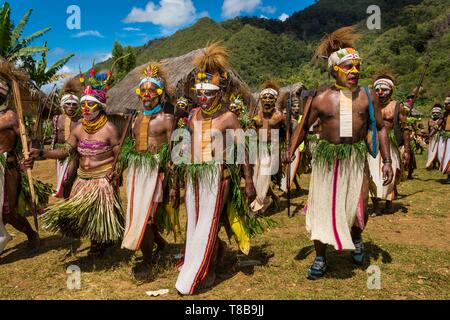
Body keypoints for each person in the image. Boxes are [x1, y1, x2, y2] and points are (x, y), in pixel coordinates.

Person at [283, 26, 394, 280]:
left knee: (357, 205)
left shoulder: (367, 97)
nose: (354, 72)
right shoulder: (320, 97)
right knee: (322, 207)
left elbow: (381, 130)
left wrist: (387, 161)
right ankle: (321, 257)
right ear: (334, 68)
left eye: (357, 67)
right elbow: (301, 128)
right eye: (348, 67)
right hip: (327, 159)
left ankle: (356, 237)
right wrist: (290, 151)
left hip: (356, 158)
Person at [175, 43, 257, 295]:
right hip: (194, 176)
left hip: (217, 177)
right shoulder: (192, 116)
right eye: (200, 93)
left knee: (209, 223)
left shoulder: (228, 118)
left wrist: (249, 181)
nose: (203, 97)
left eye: (208, 93)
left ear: (220, 93)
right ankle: (207, 256)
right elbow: (186, 144)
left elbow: (243, 149)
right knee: (195, 222)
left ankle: (206, 268)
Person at [27, 68, 124, 257]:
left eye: (90, 105)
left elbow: (119, 156)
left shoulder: (110, 129)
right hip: (82, 179)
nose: (86, 108)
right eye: (84, 104)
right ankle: (102, 240)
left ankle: (99, 244)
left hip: (101, 179)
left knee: (99, 213)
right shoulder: (79, 128)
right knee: (85, 214)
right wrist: (41, 152)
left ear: (100, 106)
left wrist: (116, 171)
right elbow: (65, 151)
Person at [119, 63, 179, 280]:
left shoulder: (168, 119)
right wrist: (120, 169)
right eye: (142, 91)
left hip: (156, 173)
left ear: (159, 94)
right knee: (138, 214)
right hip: (136, 172)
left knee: (146, 218)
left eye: (151, 91)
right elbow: (129, 145)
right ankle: (160, 243)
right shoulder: (135, 119)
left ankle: (147, 260)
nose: (146, 95)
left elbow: (174, 154)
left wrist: (173, 184)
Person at [0, 76, 41, 254]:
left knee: (8, 211)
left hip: (6, 166)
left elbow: (28, 140)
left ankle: (31, 234)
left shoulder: (10, 116)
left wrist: (29, 156)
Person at [368, 73, 410, 215]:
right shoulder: (370, 106)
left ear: (391, 90)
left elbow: (405, 129)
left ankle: (388, 202)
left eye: (384, 89)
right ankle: (375, 205)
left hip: (390, 144)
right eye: (377, 90)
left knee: (389, 173)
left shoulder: (398, 106)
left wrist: (407, 150)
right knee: (372, 174)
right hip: (373, 142)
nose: (380, 93)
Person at [250, 81, 286, 213]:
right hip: (259, 148)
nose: (267, 100)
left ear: (275, 100)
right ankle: (271, 198)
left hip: (272, 149)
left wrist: (286, 149)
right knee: (255, 177)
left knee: (264, 176)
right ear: (260, 99)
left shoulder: (279, 116)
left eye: (270, 98)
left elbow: (287, 132)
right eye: (264, 98)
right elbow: (251, 131)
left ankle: (260, 204)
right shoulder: (256, 116)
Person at [51, 79, 82, 199]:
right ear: (63, 105)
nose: (71, 107)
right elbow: (55, 135)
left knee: (68, 178)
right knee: (62, 179)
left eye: (74, 104)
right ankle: (67, 200)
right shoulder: (56, 119)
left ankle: (69, 198)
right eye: (68, 104)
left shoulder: (80, 120)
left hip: (74, 153)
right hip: (60, 153)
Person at [429, 96, 450, 183]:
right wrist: (430, 134)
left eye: (447, 104)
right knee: (443, 156)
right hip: (445, 138)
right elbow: (437, 126)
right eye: (444, 104)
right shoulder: (444, 115)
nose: (445, 105)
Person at [426, 104, 444, 171]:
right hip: (432, 138)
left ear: (440, 113)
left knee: (439, 151)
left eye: (437, 113)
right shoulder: (429, 120)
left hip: (440, 138)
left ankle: (440, 165)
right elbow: (429, 129)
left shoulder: (441, 121)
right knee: (432, 150)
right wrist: (428, 137)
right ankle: (432, 165)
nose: (435, 114)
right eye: (434, 113)